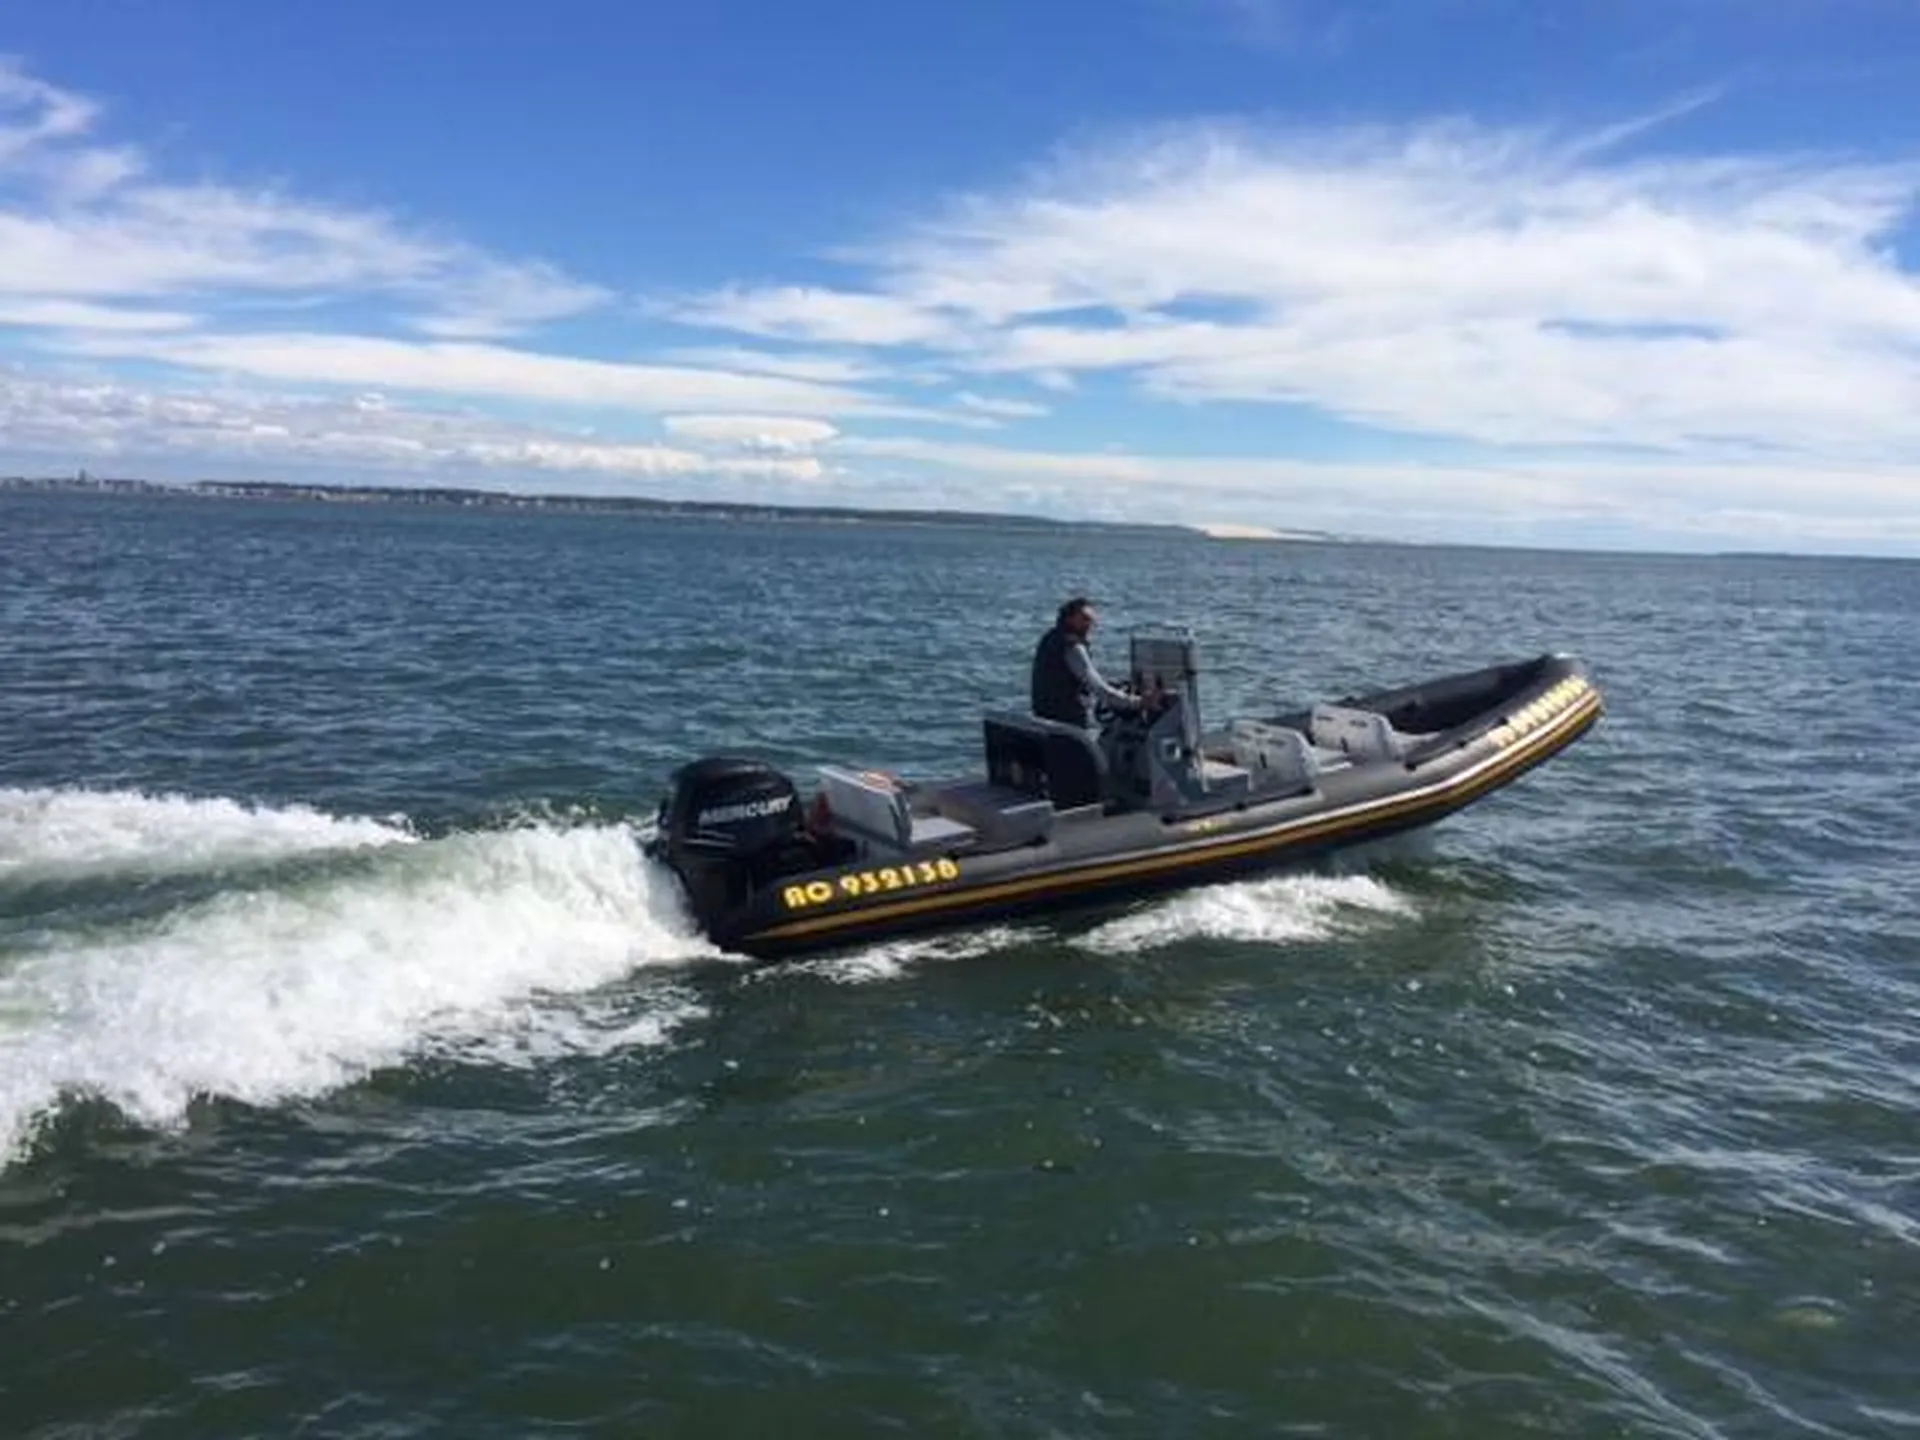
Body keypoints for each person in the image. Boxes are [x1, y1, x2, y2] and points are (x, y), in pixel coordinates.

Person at [1030, 596, 1152, 730]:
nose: (1089, 625)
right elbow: (1098, 688)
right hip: (1067, 723)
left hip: (1044, 718)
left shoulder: (1049, 639)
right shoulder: (1072, 647)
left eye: (1091, 621)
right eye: (1084, 619)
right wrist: (1138, 702)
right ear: (1069, 618)